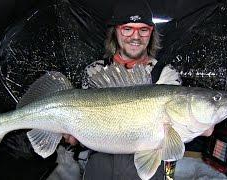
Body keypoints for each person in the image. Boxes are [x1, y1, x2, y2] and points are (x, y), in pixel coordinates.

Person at [63, 0, 179, 179]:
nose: (135, 36)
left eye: (143, 29)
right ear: (115, 31)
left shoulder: (165, 74)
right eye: (127, 28)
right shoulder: (95, 71)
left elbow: (177, 126)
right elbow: (81, 131)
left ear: (151, 33)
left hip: (146, 169)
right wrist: (71, 133)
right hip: (101, 168)